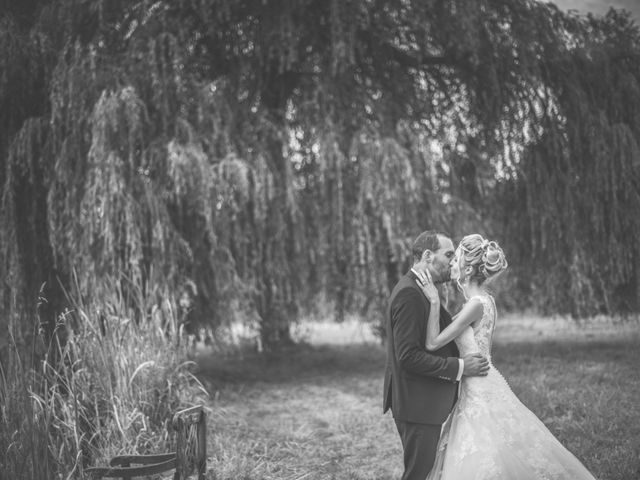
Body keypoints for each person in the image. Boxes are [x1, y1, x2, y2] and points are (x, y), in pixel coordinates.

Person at [416, 234, 598, 480]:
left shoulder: (474, 306)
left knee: (485, 448)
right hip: (485, 378)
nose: (451, 264)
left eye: (455, 258)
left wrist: (435, 300)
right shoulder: (486, 300)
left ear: (468, 268)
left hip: (478, 385)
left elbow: (432, 342)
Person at [383, 230, 490, 480]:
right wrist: (460, 367)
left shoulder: (423, 290)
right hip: (416, 404)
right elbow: (408, 357)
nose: (454, 261)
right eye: (449, 255)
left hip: (423, 401)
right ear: (428, 256)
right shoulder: (410, 293)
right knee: (418, 474)